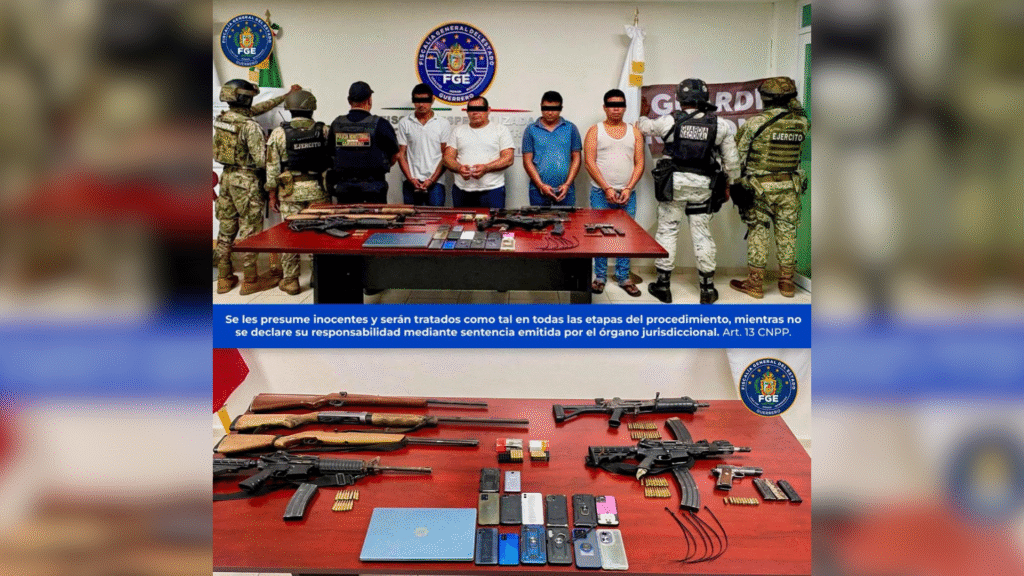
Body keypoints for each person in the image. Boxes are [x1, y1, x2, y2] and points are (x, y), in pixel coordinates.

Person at [637, 79, 740, 304]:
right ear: (705, 98)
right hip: (703, 186)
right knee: (702, 234)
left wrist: (643, 114)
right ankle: (707, 289)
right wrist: (730, 184)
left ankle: (663, 286)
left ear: (679, 99)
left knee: (667, 231)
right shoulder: (720, 125)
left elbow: (643, 127)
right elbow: (732, 163)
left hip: (673, 185)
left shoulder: (669, 121)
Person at [729, 77, 810, 299]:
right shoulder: (802, 123)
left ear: (764, 98)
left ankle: (755, 285)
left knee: (759, 232)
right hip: (790, 188)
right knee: (788, 233)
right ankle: (787, 283)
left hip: (760, 189)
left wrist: (735, 183)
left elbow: (737, 157)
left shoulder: (755, 123)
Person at [213, 79, 282, 295]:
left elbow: (257, 109)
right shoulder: (250, 126)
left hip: (227, 178)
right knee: (250, 231)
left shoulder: (222, 120)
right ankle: (250, 279)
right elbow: (261, 160)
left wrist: (283, 97)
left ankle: (224, 277)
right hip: (247, 182)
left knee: (226, 228)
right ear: (245, 98)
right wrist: (269, 144)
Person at [264, 89, 331, 295]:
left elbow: (272, 169)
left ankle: (291, 280)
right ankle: (318, 276)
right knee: (318, 233)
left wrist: (272, 194)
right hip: (318, 190)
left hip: (289, 192)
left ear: (289, 108)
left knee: (290, 235)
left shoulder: (278, 134)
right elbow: (332, 160)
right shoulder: (324, 130)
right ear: (312, 107)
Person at [583, 89, 645, 297]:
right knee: (600, 235)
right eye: (611, 105)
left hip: (628, 194)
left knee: (625, 235)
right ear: (605, 107)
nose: (615, 109)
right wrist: (606, 188)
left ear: (625, 107)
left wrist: (628, 188)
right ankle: (600, 277)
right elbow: (589, 162)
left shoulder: (634, 132)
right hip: (601, 193)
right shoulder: (595, 131)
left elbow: (640, 163)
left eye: (619, 105)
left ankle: (623, 277)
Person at [328, 81, 399, 204]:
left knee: (345, 217)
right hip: (373, 188)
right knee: (374, 217)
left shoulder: (337, 124)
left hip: (345, 189)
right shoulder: (381, 124)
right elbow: (395, 155)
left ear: (349, 101)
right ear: (369, 100)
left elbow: (330, 153)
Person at [442, 96, 514, 208]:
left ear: (488, 110)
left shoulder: (501, 130)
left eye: (479, 109)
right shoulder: (458, 131)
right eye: (471, 109)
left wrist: (486, 168)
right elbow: (447, 158)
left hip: (492, 191)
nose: (475, 112)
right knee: (461, 220)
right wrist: (459, 168)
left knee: (492, 220)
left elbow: (508, 159)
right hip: (462, 191)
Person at [522, 91, 582, 207]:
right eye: (546, 108)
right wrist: (541, 185)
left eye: (554, 109)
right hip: (538, 191)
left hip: (566, 190)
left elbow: (577, 158)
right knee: (539, 219)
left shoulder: (571, 128)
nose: (550, 112)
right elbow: (527, 161)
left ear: (561, 108)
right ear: (541, 106)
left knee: (567, 219)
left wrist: (567, 184)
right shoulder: (531, 130)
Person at [395, 84, 451, 206]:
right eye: (417, 101)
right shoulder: (405, 123)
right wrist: (411, 179)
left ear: (432, 100)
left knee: (436, 217)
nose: (421, 104)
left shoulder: (443, 123)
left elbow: (445, 156)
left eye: (425, 100)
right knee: (410, 217)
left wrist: (432, 180)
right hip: (410, 182)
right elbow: (401, 154)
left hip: (436, 182)